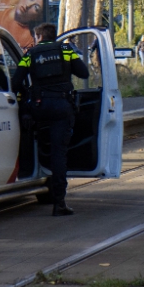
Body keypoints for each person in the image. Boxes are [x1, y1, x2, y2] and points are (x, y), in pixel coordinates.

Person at [11, 23, 90, 216]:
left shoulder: (30, 55)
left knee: (30, 136)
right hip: (62, 107)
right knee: (58, 154)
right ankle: (59, 202)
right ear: (54, 36)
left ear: (38, 36)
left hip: (38, 107)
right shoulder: (66, 50)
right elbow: (84, 73)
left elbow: (15, 82)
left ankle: (28, 171)